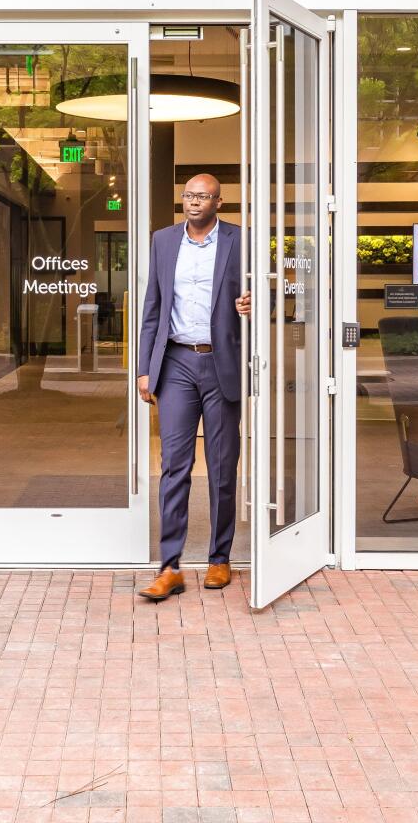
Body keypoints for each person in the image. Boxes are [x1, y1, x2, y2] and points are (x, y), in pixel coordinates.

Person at [136, 174, 250, 601]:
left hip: (222, 363)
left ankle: (219, 559)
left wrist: (256, 303)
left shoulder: (242, 240)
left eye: (203, 196)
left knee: (222, 467)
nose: (194, 202)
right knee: (174, 466)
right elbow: (152, 308)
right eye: (188, 195)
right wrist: (145, 370)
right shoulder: (163, 241)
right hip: (176, 363)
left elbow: (271, 295)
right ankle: (170, 567)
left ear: (219, 202)